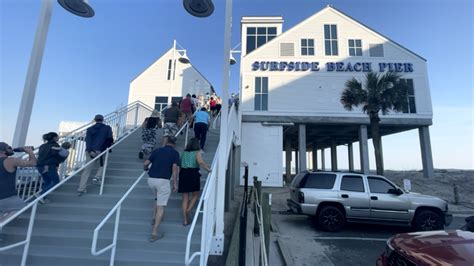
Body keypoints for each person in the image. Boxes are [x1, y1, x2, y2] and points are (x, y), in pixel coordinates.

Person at [144, 136, 179, 242]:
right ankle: (154, 233)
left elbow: (146, 163)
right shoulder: (175, 153)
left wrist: (145, 169)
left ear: (166, 142)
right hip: (163, 181)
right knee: (161, 206)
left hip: (151, 180)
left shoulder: (157, 150)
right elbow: (174, 168)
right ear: (174, 144)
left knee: (156, 198)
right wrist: (175, 183)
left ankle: (154, 217)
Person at [77, 114, 114, 196]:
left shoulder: (89, 129)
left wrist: (90, 151)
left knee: (87, 170)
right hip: (101, 151)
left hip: (90, 151)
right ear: (102, 120)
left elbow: (88, 140)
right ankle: (97, 177)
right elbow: (110, 139)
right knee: (104, 164)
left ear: (95, 120)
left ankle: (81, 188)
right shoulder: (107, 128)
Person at [178, 138, 211, 226]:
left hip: (183, 174)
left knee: (185, 197)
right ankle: (188, 210)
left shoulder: (184, 153)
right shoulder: (197, 152)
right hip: (192, 173)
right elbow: (200, 162)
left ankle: (185, 220)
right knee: (196, 194)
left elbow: (180, 164)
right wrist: (208, 169)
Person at [0, 142, 36, 221]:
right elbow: (32, 163)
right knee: (22, 208)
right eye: (9, 147)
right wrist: (30, 152)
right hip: (7, 197)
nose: (11, 149)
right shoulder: (10, 160)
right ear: (2, 151)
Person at [36, 132, 70, 203]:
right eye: (57, 136)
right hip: (49, 166)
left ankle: (43, 197)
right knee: (56, 182)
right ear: (54, 138)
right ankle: (41, 195)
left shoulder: (42, 146)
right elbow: (57, 156)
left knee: (48, 182)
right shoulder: (55, 145)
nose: (58, 138)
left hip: (39, 166)